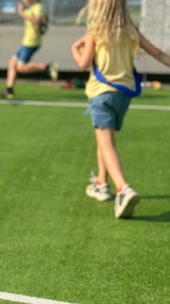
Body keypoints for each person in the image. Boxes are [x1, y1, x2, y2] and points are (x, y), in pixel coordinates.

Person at [71, 0, 170, 218]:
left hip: (101, 93)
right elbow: (159, 54)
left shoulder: (94, 30)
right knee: (104, 138)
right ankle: (100, 183)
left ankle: (123, 189)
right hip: (124, 95)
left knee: (105, 140)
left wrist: (75, 49)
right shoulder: (130, 30)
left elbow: (82, 63)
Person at [0, 0, 58, 100]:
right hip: (26, 41)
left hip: (32, 42)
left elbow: (36, 20)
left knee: (21, 67)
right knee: (12, 62)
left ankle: (47, 67)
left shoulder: (38, 7)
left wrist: (21, 13)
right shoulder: (32, 8)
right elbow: (45, 19)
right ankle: (9, 90)